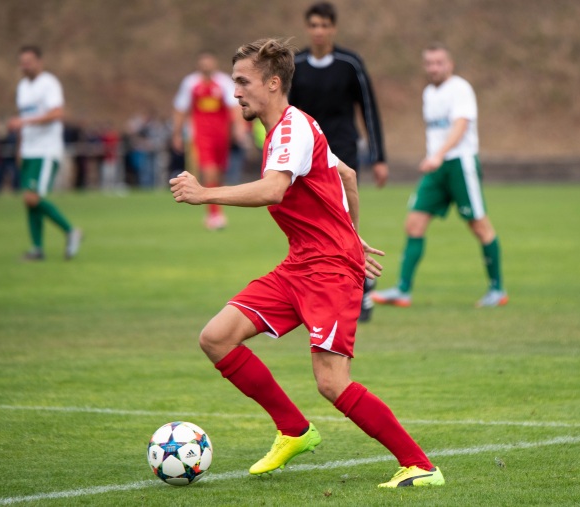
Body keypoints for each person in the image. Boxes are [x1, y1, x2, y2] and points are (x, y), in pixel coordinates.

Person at [170, 38, 445, 489]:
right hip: (302, 264)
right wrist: (351, 234)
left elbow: (273, 190)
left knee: (332, 382)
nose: (233, 91)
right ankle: (294, 430)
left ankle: (420, 465)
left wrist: (205, 194)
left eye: (242, 82)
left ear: (273, 83)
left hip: (330, 271)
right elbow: (347, 177)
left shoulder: (293, 129)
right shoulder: (288, 128)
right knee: (217, 337)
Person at [372, 43, 507, 308]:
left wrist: (439, 154)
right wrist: (434, 157)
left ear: (450, 64)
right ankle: (403, 290)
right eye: (430, 63)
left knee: (479, 226)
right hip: (436, 168)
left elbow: (460, 125)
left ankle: (497, 290)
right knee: (414, 224)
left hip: (459, 164)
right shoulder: (428, 93)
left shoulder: (460, 89)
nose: (434, 68)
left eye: (439, 63)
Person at [289, 1, 389, 322]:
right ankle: (320, 288)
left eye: (324, 25)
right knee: (311, 226)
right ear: (307, 28)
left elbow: (369, 109)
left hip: (343, 151)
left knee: (343, 223)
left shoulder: (350, 63)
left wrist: (379, 157)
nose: (319, 31)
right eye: (313, 25)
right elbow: (284, 113)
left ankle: (362, 287)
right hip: (306, 155)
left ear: (333, 28)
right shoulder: (296, 64)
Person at [8, 45, 82, 261]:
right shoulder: (22, 87)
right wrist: (20, 148)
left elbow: (57, 113)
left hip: (46, 150)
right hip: (29, 150)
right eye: (22, 62)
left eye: (29, 61)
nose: (25, 66)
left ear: (39, 62)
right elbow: (24, 121)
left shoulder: (49, 83)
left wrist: (24, 121)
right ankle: (37, 248)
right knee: (28, 199)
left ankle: (70, 231)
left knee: (32, 197)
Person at [172, 51, 245, 230]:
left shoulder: (224, 82)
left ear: (215, 63)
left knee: (219, 173)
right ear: (199, 65)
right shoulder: (190, 83)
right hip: (200, 136)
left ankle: (215, 209)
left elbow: (234, 106)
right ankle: (214, 214)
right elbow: (181, 109)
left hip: (222, 136)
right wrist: (177, 134)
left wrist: (238, 127)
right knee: (209, 171)